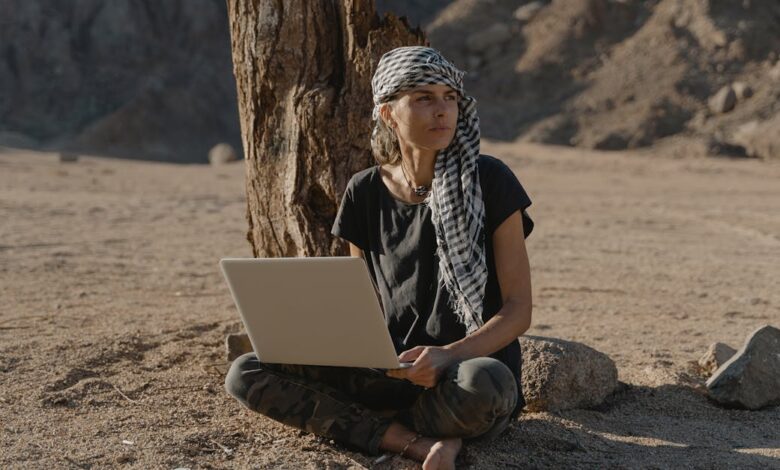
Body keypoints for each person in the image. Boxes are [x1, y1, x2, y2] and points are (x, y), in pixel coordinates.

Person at [225, 46, 534, 470]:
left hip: (463, 372)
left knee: (488, 384)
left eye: (449, 97)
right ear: (389, 113)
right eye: (424, 98)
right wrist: (360, 354)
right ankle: (421, 441)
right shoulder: (364, 191)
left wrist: (449, 355)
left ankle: (374, 429)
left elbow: (518, 310)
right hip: (391, 371)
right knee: (247, 371)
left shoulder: (491, 181)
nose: (442, 110)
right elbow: (362, 300)